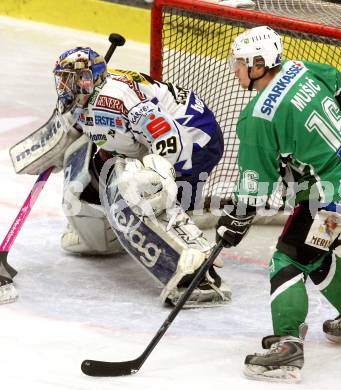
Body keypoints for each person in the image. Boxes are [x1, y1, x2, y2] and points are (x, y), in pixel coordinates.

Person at [216, 26, 341, 383]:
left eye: (240, 63)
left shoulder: (257, 116)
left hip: (331, 193)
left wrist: (237, 217)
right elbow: (339, 86)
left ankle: (287, 349)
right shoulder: (302, 68)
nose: (235, 70)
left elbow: (254, 185)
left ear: (259, 65)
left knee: (288, 258)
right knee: (314, 252)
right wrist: (303, 143)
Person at [50, 46, 230, 308]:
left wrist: (158, 181)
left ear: (92, 78)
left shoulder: (115, 99)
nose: (65, 86)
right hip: (160, 136)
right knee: (99, 166)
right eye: (62, 78)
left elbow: (170, 138)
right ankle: (102, 230)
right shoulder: (85, 98)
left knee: (147, 192)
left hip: (194, 138)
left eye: (72, 79)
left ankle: (201, 274)